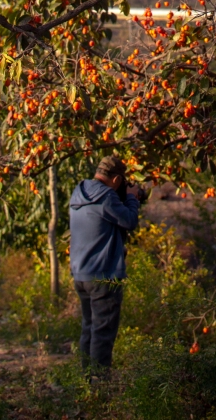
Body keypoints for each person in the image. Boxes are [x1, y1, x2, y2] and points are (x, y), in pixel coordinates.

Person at [69, 154, 141, 373]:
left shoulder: (78, 193)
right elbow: (129, 221)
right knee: (103, 333)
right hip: (103, 276)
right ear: (117, 180)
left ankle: (86, 381)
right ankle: (100, 387)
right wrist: (131, 198)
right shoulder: (107, 197)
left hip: (82, 274)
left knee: (89, 329)